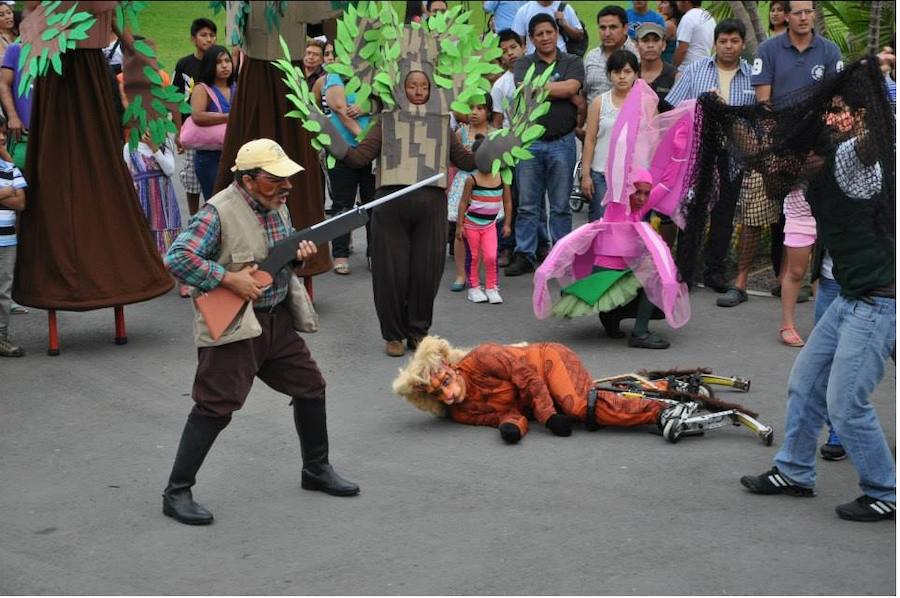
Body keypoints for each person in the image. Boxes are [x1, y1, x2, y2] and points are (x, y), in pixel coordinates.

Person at [161, 139, 360, 526]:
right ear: (249, 180)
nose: (286, 186)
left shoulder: (276, 206)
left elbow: (273, 261)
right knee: (214, 408)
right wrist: (228, 279)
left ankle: (315, 470)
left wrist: (296, 258)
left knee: (310, 387)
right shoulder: (217, 212)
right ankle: (177, 491)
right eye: (276, 179)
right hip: (236, 326)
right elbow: (177, 258)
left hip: (276, 321)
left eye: (288, 178)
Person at [740, 75, 896, 523]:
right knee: (805, 384)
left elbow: (870, 144)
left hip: (879, 302)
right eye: (828, 112)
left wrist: (872, 92)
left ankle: (884, 490)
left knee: (846, 403)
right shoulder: (813, 165)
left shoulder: (856, 155)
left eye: (841, 111)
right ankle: (794, 471)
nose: (831, 118)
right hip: (849, 296)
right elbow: (767, 162)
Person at [393, 336, 689, 443]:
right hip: (540, 395)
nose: (448, 394)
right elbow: (502, 416)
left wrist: (547, 416)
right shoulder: (459, 412)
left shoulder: (482, 357)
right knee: (582, 405)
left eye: (445, 382)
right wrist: (512, 428)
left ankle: (661, 410)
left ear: (449, 366)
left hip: (547, 361)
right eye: (437, 394)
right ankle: (665, 387)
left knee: (576, 406)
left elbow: (528, 378)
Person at [752, 0, 842, 346]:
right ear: (785, 15)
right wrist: (777, 150)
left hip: (824, 157)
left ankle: (824, 327)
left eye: (809, 12)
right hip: (788, 160)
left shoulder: (830, 51)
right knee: (798, 261)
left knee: (829, 260)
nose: (805, 18)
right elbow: (764, 104)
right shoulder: (769, 49)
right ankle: (787, 324)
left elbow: (836, 101)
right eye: (798, 12)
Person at [664, 19, 754, 295]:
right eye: (723, 41)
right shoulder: (695, 71)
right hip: (698, 153)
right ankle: (685, 270)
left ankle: (715, 271)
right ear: (715, 43)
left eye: (734, 41)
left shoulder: (752, 75)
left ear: (742, 44)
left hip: (733, 154)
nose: (728, 46)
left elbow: (756, 120)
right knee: (693, 211)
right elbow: (673, 107)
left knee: (724, 215)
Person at [505, 13, 584, 277]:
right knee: (528, 204)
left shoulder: (572, 61)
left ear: (556, 33)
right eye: (539, 34)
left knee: (560, 205)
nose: (545, 37)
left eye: (549, 32)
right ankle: (525, 254)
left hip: (562, 142)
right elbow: (523, 90)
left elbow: (572, 87)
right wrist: (560, 89)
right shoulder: (524, 62)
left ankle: (560, 255)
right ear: (531, 38)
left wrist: (539, 87)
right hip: (530, 144)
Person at [320, 71, 374, 276]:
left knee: (373, 203)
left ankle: (374, 253)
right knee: (343, 204)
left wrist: (368, 107)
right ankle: (340, 255)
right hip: (343, 150)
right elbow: (341, 110)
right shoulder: (336, 76)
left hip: (371, 152)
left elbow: (385, 103)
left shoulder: (375, 73)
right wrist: (365, 140)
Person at [581, 49, 639, 223]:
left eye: (627, 72)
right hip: (601, 174)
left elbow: (650, 141)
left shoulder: (643, 103)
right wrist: (586, 175)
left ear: (636, 74)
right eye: (616, 72)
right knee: (600, 222)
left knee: (626, 225)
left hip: (631, 177)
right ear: (609, 75)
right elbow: (590, 140)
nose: (622, 76)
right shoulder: (600, 102)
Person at [456, 135, 513, 304]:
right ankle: (474, 287)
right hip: (471, 225)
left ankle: (491, 286)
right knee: (473, 257)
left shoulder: (502, 179)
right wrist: (460, 225)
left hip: (490, 226)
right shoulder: (471, 180)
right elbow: (463, 203)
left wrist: (508, 223)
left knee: (490, 256)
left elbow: (508, 201)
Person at [490, 29, 528, 267]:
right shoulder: (500, 86)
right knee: (508, 199)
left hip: (532, 146)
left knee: (529, 200)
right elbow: (496, 122)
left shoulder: (535, 76)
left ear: (523, 45)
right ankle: (506, 245)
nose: (510, 54)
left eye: (513, 47)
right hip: (510, 150)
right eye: (504, 51)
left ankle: (533, 245)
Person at [173, 18, 218, 216]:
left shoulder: (219, 63)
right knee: (191, 177)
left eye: (212, 35)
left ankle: (214, 214)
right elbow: (174, 97)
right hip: (191, 128)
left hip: (216, 126)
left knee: (215, 175)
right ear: (193, 39)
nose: (208, 39)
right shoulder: (184, 64)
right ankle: (193, 217)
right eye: (203, 35)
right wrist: (177, 131)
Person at [448, 100, 493, 293]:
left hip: (484, 186)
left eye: (479, 108)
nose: (474, 112)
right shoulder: (461, 133)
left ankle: (475, 273)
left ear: (489, 111)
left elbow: (500, 163)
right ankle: (461, 274)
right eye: (471, 107)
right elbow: (452, 161)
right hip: (463, 184)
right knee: (461, 231)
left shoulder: (494, 134)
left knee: (482, 232)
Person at [123, 129, 183, 267]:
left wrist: (154, 148)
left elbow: (169, 170)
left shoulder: (165, 144)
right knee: (145, 229)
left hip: (164, 199)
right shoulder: (129, 147)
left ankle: (166, 264)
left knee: (164, 228)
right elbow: (127, 173)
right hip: (142, 196)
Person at [190, 45, 236, 203]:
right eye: (219, 62)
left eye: (227, 60)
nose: (225, 65)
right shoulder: (202, 89)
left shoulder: (236, 87)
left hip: (235, 155)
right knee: (217, 202)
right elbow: (197, 116)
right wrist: (229, 117)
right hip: (210, 158)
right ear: (210, 65)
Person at [0, 116, 26, 357]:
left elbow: (20, 202)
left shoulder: (9, 168)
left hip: (7, 240)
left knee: (4, 290)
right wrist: (8, 191)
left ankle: (1, 337)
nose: (1, 137)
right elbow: (14, 194)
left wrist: (8, 162)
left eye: (3, 133)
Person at [583, 5, 638, 104]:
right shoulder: (591, 57)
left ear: (625, 28)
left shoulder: (638, 55)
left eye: (613, 27)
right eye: (603, 28)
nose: (607, 33)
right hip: (593, 117)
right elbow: (583, 94)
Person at [0, 41, 33, 170]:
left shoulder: (59, 46)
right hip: (23, 132)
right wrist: (13, 116)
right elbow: (4, 84)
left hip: (52, 130)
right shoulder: (15, 49)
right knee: (19, 171)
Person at [511, 1, 584, 55]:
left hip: (561, 61)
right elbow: (517, 41)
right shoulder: (524, 11)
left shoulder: (564, 8)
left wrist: (565, 25)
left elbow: (580, 35)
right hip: (533, 62)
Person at [636, 23, 677, 111]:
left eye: (655, 40)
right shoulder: (630, 73)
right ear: (636, 45)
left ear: (664, 45)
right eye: (645, 40)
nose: (650, 45)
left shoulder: (675, 77)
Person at [673, 0, 715, 72]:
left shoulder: (688, 18)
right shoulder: (708, 16)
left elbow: (682, 49)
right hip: (704, 67)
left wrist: (673, 67)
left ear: (686, 2)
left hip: (687, 69)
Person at [657, 0, 682, 65]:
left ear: (673, 7)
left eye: (664, 3)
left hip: (665, 61)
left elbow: (656, 42)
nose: (660, 6)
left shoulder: (669, 25)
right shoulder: (678, 21)